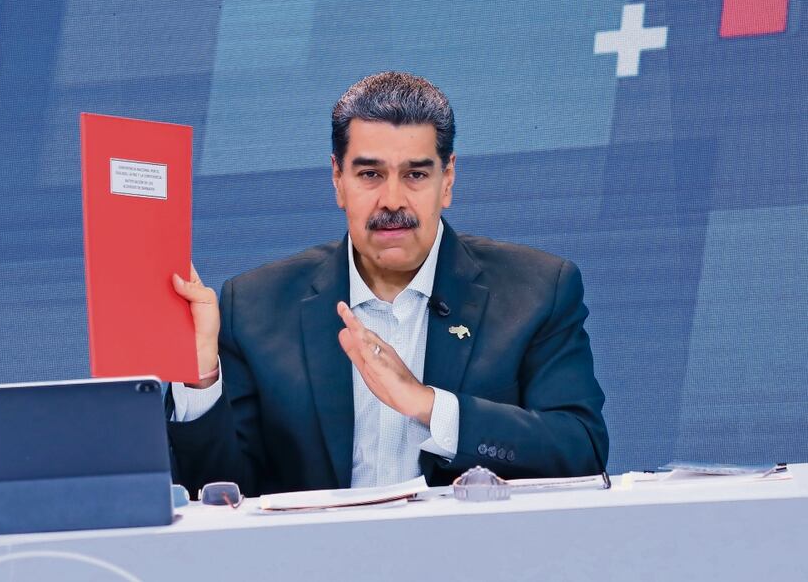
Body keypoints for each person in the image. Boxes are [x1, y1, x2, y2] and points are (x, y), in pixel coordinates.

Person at [167, 71, 608, 497]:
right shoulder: (256, 306)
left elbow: (581, 450)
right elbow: (224, 495)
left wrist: (429, 406)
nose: (393, 200)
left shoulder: (536, 291)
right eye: (370, 175)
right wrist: (202, 377)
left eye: (416, 174)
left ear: (447, 180)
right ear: (338, 180)